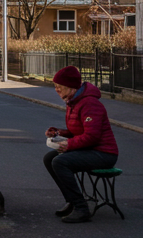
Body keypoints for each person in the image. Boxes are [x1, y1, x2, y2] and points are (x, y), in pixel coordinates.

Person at [43, 65, 119, 223]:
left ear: (70, 87)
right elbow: (77, 130)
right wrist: (59, 133)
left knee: (60, 161)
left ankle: (81, 208)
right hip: (89, 150)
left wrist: (69, 144)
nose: (56, 90)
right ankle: (71, 201)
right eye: (55, 86)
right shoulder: (73, 102)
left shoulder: (89, 104)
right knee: (49, 158)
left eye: (59, 87)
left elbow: (92, 136)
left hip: (103, 153)